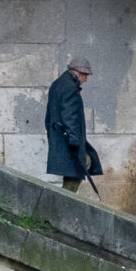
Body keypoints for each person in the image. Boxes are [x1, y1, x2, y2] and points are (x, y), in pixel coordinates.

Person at [45, 57, 102, 192]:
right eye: (85, 75)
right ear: (77, 73)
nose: (86, 79)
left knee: (77, 169)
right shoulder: (70, 87)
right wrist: (75, 141)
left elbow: (49, 118)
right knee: (81, 166)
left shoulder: (58, 84)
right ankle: (64, 204)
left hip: (62, 138)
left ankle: (65, 201)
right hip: (69, 140)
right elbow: (69, 117)